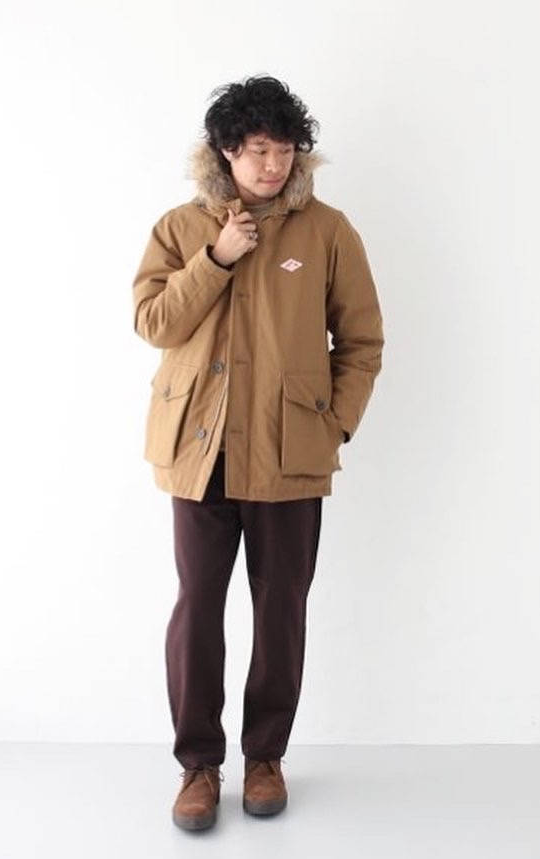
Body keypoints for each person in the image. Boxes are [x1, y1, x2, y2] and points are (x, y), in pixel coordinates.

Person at [131, 74, 384, 831]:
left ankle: (265, 757)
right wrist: (215, 257)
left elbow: (362, 340)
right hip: (198, 452)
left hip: (287, 454)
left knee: (281, 611)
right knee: (197, 608)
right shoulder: (181, 228)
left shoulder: (327, 231)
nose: (273, 164)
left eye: (284, 149)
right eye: (256, 149)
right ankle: (198, 765)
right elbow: (154, 323)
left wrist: (332, 424)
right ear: (225, 152)